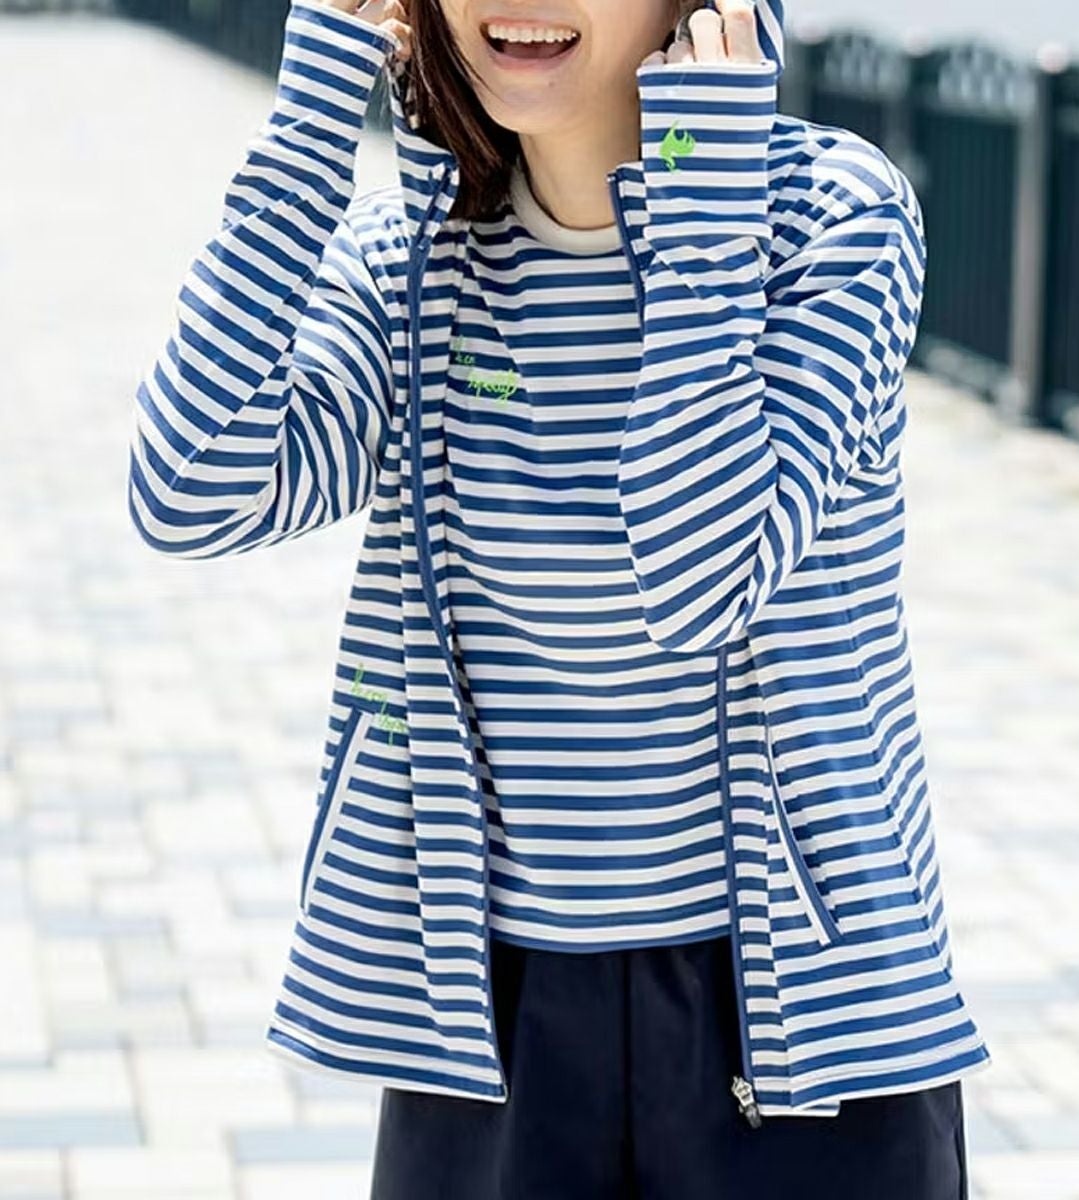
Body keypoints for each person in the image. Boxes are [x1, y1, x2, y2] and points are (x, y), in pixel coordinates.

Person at [127, 0, 992, 1196]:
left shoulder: (826, 220)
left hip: (799, 1010)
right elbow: (188, 491)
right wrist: (316, 120)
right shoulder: (409, 259)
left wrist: (698, 200)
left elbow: (703, 580)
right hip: (489, 1013)